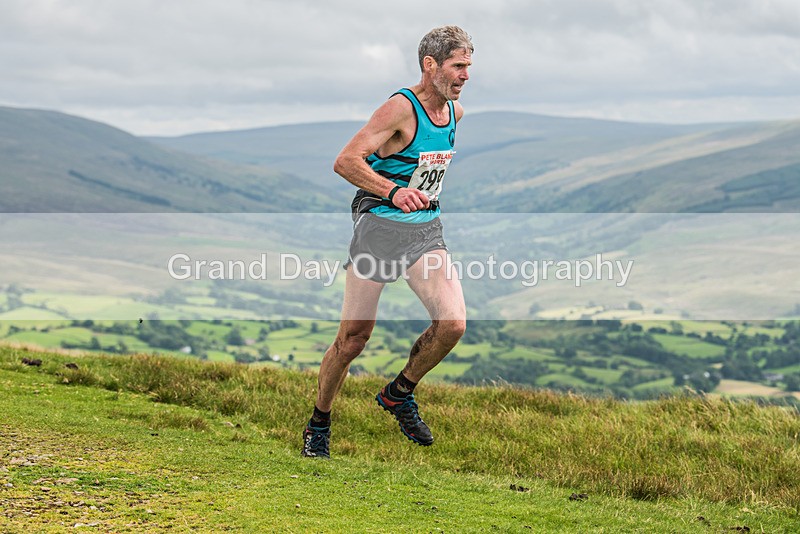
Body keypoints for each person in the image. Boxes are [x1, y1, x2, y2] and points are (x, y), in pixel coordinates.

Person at [302, 25, 473, 458]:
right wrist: (394, 192)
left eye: (469, 66)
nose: (465, 75)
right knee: (354, 338)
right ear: (429, 65)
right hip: (379, 226)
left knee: (452, 324)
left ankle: (399, 392)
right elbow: (345, 161)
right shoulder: (400, 108)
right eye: (457, 66)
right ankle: (318, 423)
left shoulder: (456, 114)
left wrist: (415, 197)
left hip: (424, 230)